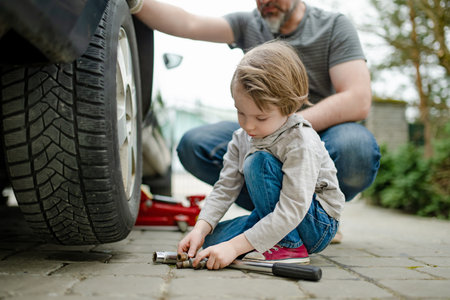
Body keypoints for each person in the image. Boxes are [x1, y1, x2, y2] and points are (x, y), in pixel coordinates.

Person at [130, 0, 381, 243]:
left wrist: (283, 129)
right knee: (196, 144)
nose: (265, 1)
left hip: (316, 134)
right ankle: (269, 216)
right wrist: (136, 3)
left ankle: (310, 219)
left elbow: (357, 99)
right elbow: (190, 23)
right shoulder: (249, 23)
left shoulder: (334, 26)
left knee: (355, 146)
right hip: (266, 126)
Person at [181, 41, 345, 269]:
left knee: (258, 162)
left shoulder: (300, 141)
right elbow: (225, 187)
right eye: (241, 112)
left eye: (261, 117)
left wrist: (235, 247)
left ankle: (289, 246)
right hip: (279, 215)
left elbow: (293, 208)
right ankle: (274, 241)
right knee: (211, 242)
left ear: (289, 108)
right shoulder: (241, 137)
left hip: (315, 223)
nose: (249, 126)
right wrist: (200, 228)